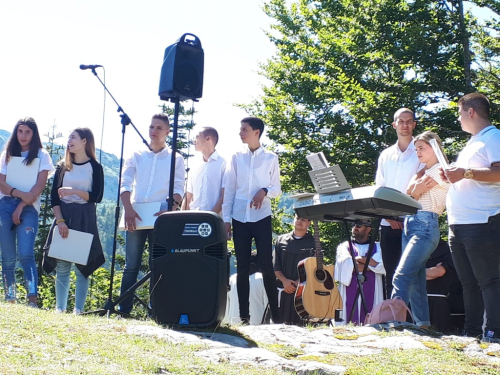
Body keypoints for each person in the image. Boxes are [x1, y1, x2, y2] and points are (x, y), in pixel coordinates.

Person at [441, 93, 500, 343]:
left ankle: (494, 333)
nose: (459, 118)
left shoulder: (494, 136)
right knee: (468, 283)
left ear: (471, 112)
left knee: (489, 281)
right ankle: (472, 332)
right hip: (459, 224)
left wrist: (464, 172)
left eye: (459, 113)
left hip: (482, 222)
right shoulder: (472, 142)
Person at [118, 113, 185, 314]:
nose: (153, 131)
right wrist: (128, 208)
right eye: (151, 127)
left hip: (161, 217)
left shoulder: (176, 158)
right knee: (131, 265)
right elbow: (125, 182)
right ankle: (124, 309)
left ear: (167, 132)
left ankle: (156, 309)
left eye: (158, 128)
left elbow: (179, 188)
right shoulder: (137, 155)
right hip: (136, 213)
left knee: (159, 264)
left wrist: (169, 208)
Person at [222, 117, 281, 324]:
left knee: (266, 265)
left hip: (262, 217)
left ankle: (277, 316)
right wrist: (226, 219)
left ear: (256, 132)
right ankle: (244, 317)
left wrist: (264, 191)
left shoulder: (271, 158)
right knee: (243, 266)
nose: (240, 133)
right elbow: (229, 189)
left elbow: (276, 190)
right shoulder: (236, 157)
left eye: (244, 130)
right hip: (239, 217)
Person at [42, 128, 105, 314]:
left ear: (84, 141)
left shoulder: (95, 167)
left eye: (73, 137)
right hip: (64, 216)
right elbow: (54, 198)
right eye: (69, 137)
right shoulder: (62, 167)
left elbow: (97, 196)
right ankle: (59, 309)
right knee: (62, 263)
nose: (69, 141)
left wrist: (74, 191)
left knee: (82, 264)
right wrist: (60, 221)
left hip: (85, 216)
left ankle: (78, 310)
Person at [392, 131, 450, 329]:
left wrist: (414, 192)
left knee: (402, 275)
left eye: (421, 148)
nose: (417, 152)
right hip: (411, 223)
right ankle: (423, 324)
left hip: (425, 224)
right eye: (416, 148)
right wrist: (414, 191)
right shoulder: (422, 171)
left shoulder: (440, 169)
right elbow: (409, 193)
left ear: (434, 147)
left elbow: (412, 194)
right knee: (416, 279)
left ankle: (393, 320)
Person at [0, 117, 55, 306]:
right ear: (16, 133)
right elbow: (1, 183)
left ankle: (32, 298)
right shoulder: (7, 153)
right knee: (7, 257)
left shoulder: (42, 155)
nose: (23, 135)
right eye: (20, 131)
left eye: (27, 132)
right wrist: (18, 194)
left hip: (29, 209)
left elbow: (40, 186)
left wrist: (21, 205)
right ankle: (10, 297)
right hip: (5, 205)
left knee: (26, 254)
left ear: (34, 134)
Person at [375, 108, 423, 299]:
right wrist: (387, 216)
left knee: (411, 274)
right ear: (394, 125)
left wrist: (403, 218)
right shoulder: (386, 155)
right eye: (401, 121)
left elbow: (422, 186)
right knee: (391, 273)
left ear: (414, 125)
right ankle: (392, 316)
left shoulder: (420, 152)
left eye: (409, 121)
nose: (405, 125)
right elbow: (380, 188)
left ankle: (412, 321)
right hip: (387, 222)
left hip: (413, 221)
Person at [334, 219, 385, 325]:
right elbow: (346, 266)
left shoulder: (378, 247)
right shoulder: (344, 247)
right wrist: (370, 265)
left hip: (373, 287)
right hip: (350, 287)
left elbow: (380, 265)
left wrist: (357, 259)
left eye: (359, 225)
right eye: (353, 225)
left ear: (368, 229)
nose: (355, 228)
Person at [273, 215, 315, 325]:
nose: (300, 221)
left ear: (309, 223)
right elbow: (275, 266)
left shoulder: (314, 243)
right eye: (298, 218)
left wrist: (299, 282)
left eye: (304, 219)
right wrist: (285, 281)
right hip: (283, 290)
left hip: (304, 292)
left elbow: (314, 269)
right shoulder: (280, 240)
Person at [182, 127, 225, 213]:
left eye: (197, 137)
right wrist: (180, 219)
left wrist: (210, 217)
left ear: (208, 138)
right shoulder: (194, 166)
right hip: (193, 219)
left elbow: (225, 196)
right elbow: (188, 197)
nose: (194, 141)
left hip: (213, 221)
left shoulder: (224, 164)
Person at [425, 239, 462, 333]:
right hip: (415, 301)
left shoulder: (446, 248)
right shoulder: (408, 246)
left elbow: (439, 272)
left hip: (438, 303)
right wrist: (428, 272)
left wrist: (416, 273)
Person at [224, 255, 269, 325]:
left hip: (234, 325)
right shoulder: (262, 279)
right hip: (258, 325)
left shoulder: (232, 279)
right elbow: (268, 305)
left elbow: (226, 306)